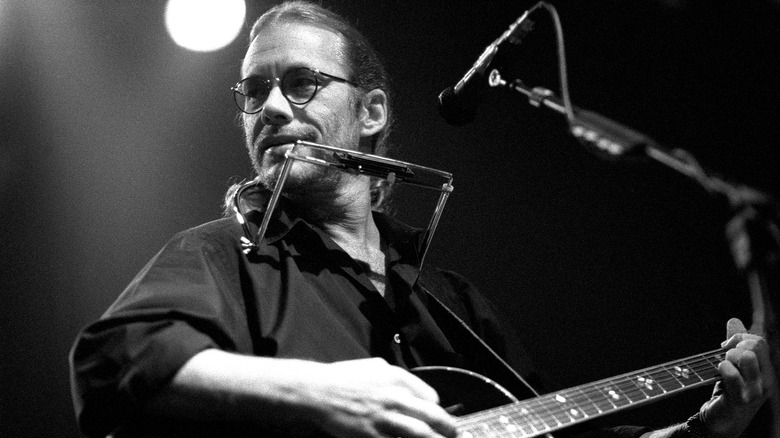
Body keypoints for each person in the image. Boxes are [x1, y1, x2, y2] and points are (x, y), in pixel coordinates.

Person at [69, 2, 775, 438]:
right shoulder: (228, 253)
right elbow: (112, 364)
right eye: (253, 92)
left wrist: (701, 429)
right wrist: (323, 394)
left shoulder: (455, 303)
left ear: (371, 113)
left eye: (301, 83)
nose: (273, 109)